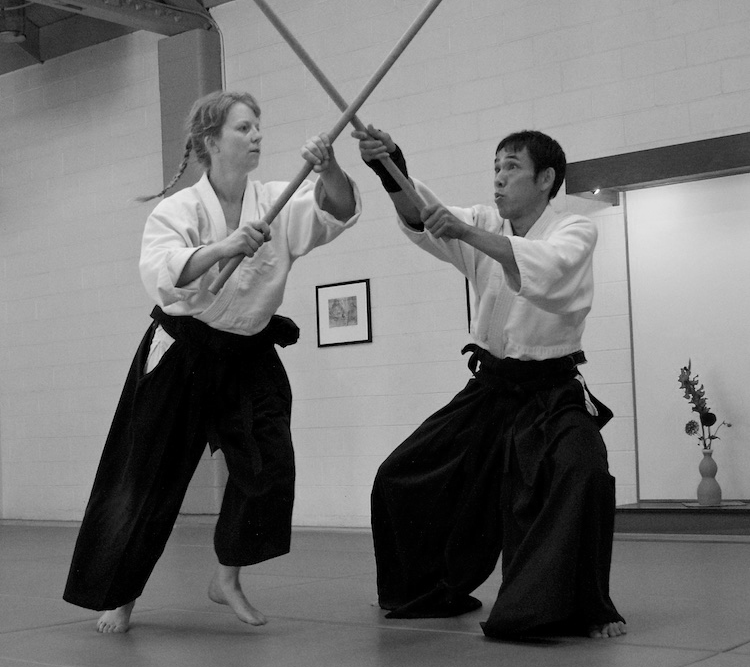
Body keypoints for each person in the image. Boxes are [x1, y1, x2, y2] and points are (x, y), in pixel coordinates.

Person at [63, 90, 361, 633]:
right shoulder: (178, 210)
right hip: (184, 351)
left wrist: (329, 168)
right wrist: (224, 248)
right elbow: (160, 271)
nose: (257, 135)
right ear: (211, 140)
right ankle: (120, 595)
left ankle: (227, 578)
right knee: (145, 477)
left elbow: (336, 209)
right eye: (244, 128)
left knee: (269, 466)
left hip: (248, 354)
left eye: (258, 126)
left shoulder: (277, 199)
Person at [353, 124, 626, 640]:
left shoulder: (574, 229)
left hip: (552, 391)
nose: (498, 179)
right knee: (401, 473)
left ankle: (583, 607)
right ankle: (426, 588)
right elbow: (423, 215)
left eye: (512, 168)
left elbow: (548, 267)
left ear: (545, 179)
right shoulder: (483, 222)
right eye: (496, 168)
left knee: (584, 472)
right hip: (492, 387)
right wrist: (391, 168)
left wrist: (466, 233)